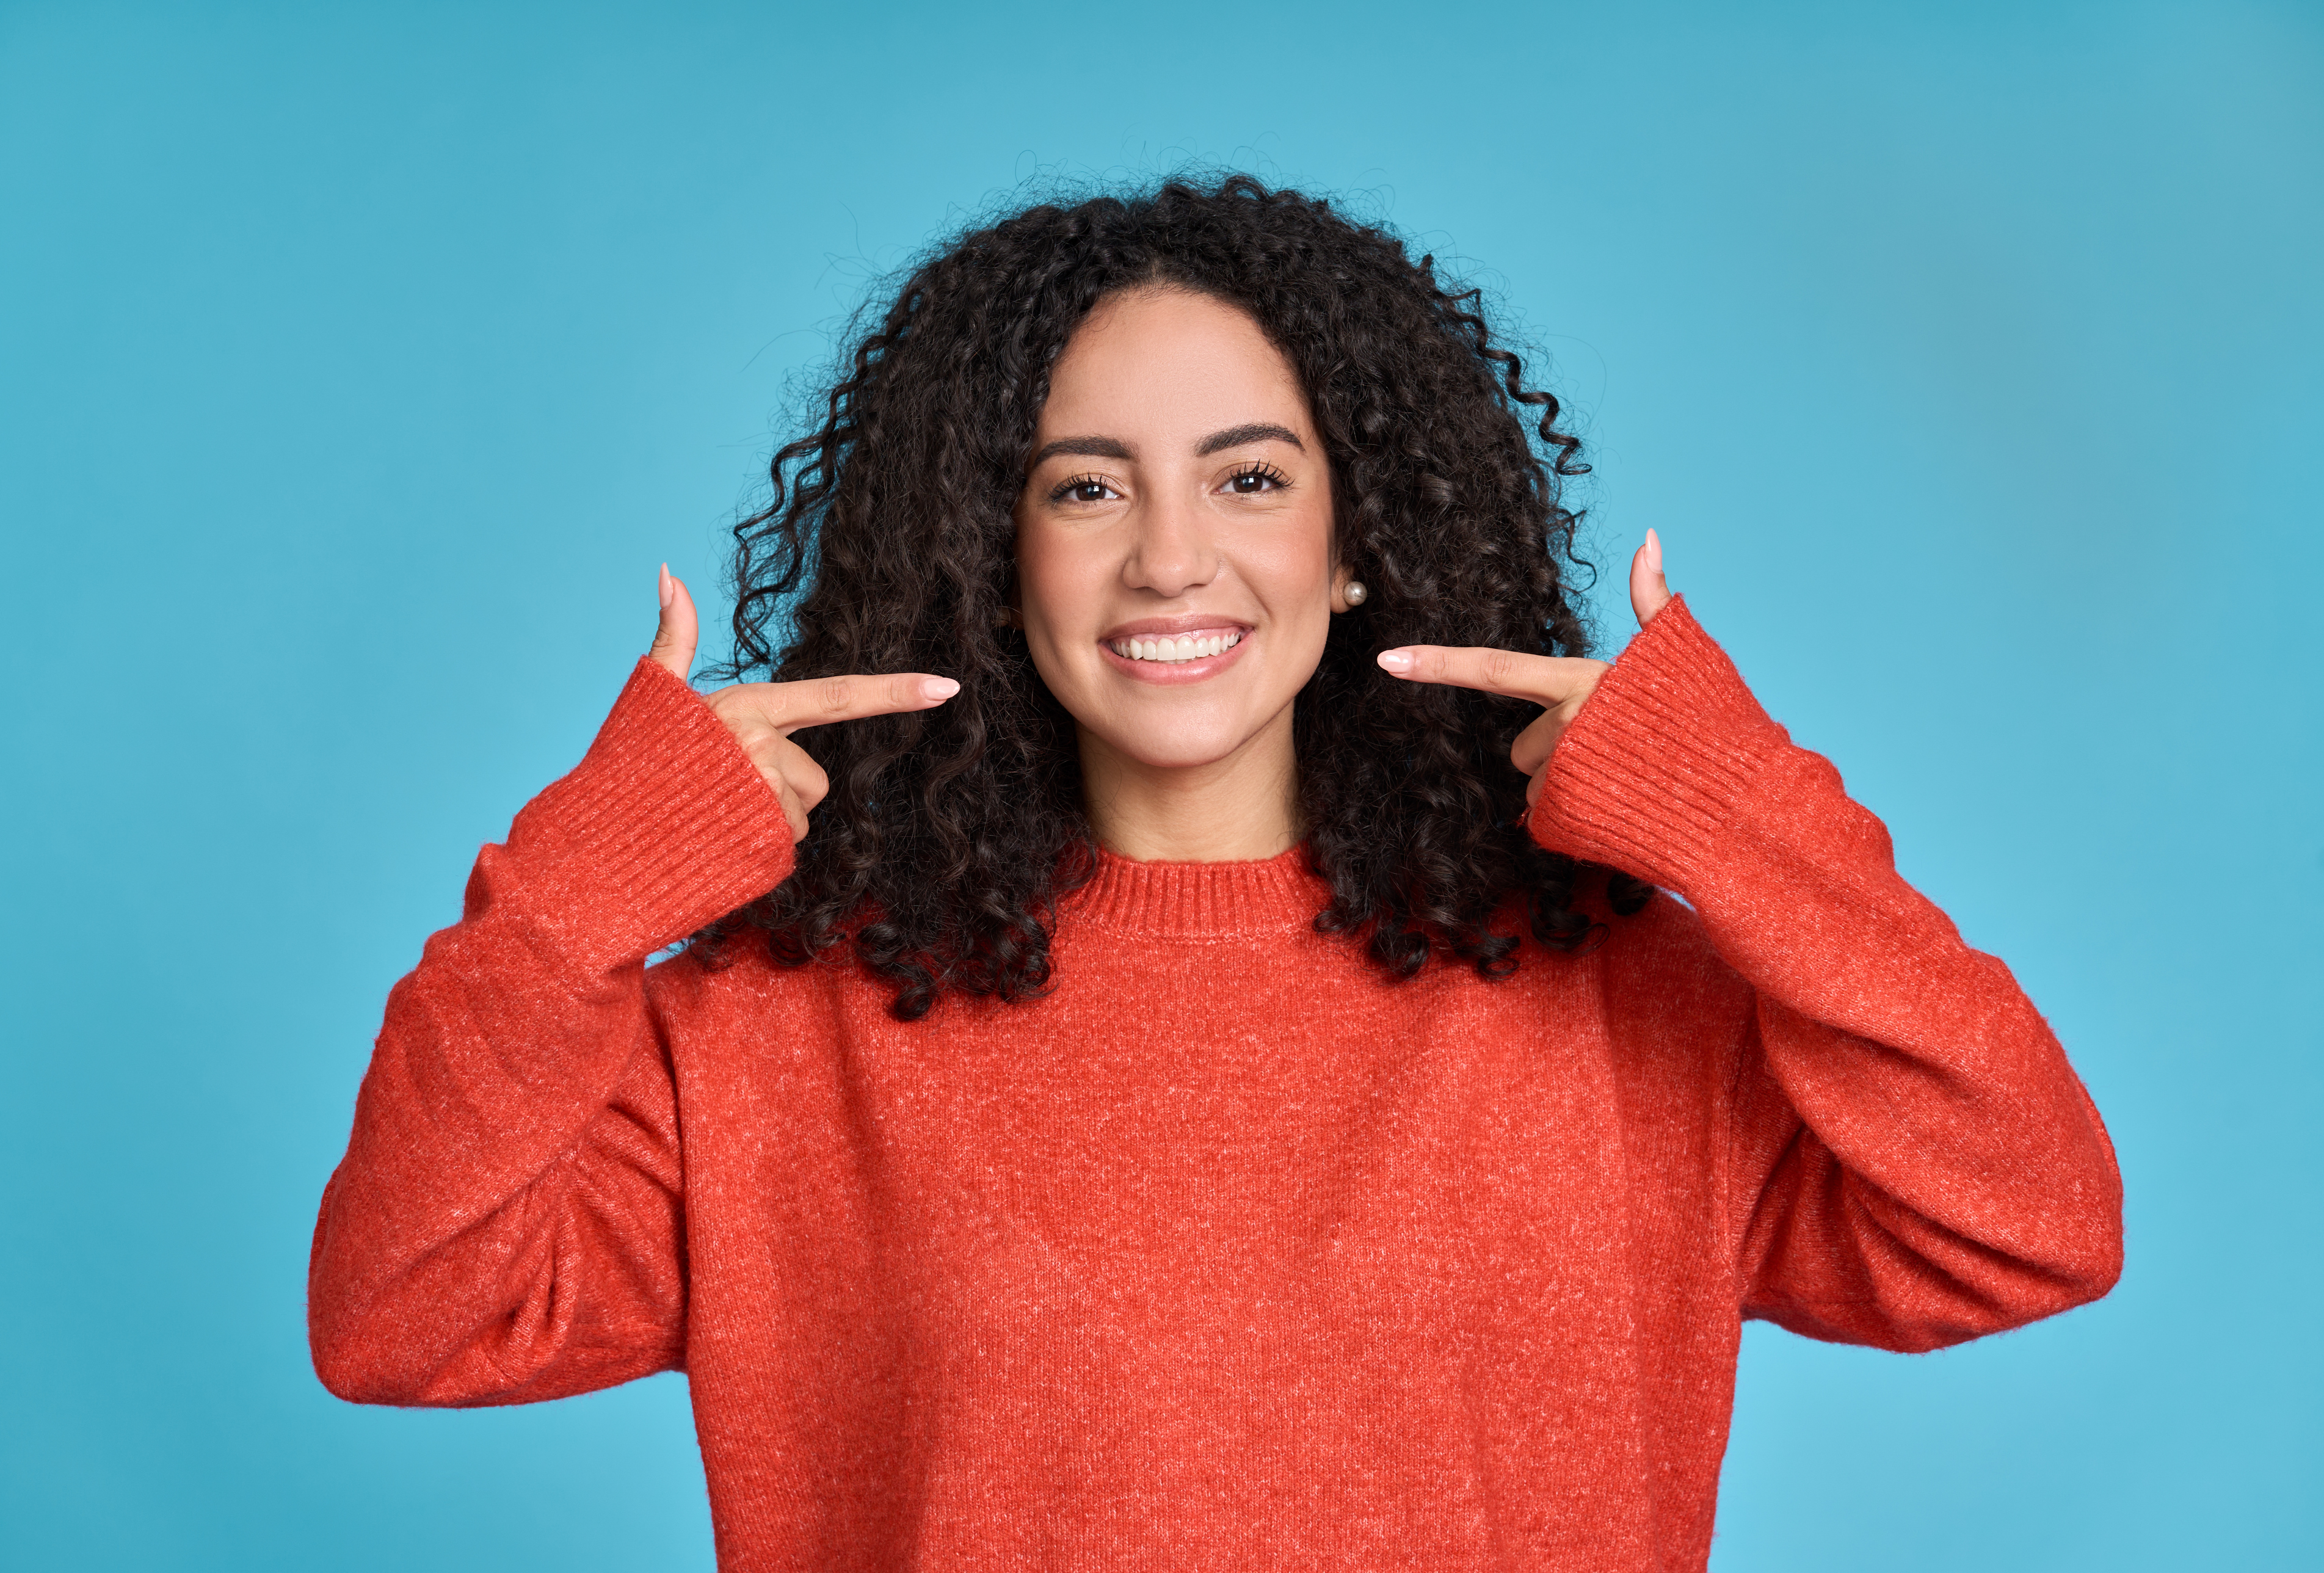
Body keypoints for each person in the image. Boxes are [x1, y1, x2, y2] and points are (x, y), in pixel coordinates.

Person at [308, 175, 2122, 1571]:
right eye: (1084, 490)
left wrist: (1739, 824)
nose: (1173, 558)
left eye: (1251, 480)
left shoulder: (1627, 1005)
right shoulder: (786, 1028)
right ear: (994, 558)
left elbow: (2033, 1218)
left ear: (1356, 546)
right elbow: (401, 1312)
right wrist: (576, 893)